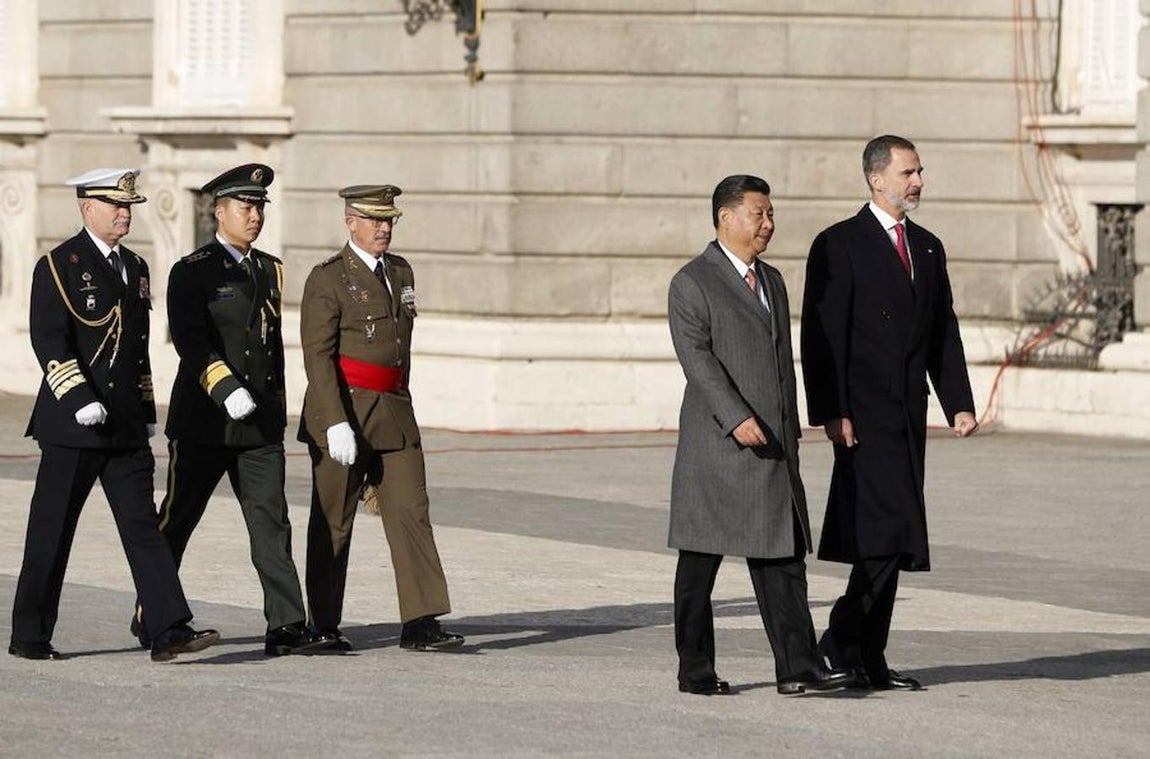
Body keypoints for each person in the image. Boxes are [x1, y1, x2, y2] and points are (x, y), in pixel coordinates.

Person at [10, 168, 219, 662]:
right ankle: (30, 635)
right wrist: (78, 398)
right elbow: (50, 341)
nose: (125, 214)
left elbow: (136, 349)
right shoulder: (59, 265)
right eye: (115, 205)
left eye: (128, 206)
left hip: (123, 427)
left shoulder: (136, 266)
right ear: (88, 208)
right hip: (73, 426)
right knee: (51, 532)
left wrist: (144, 409)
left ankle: (168, 628)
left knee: (143, 528)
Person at [800, 135, 979, 691]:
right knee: (885, 531)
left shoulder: (927, 247)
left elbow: (941, 330)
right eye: (908, 173)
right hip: (861, 416)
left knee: (893, 534)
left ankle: (865, 656)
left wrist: (958, 402)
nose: (918, 182)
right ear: (876, 179)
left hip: (907, 413)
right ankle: (841, 642)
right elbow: (821, 335)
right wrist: (832, 411)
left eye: (920, 171)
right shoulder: (839, 243)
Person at [667, 175, 854, 696]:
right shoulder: (692, 282)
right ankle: (695, 671)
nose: (768, 224)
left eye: (771, 214)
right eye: (758, 213)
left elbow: (780, 363)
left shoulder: (771, 279)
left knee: (783, 559)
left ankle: (799, 668)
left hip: (773, 447)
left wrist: (791, 426)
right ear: (726, 217)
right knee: (698, 566)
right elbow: (697, 360)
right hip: (717, 448)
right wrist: (735, 417)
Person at [135, 164, 331, 657]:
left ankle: (286, 625)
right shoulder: (191, 270)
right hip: (206, 421)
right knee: (178, 519)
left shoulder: (269, 268)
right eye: (246, 207)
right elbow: (190, 339)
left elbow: (270, 348)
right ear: (219, 212)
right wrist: (225, 388)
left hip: (258, 425)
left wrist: (277, 409)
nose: (255, 216)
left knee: (272, 523)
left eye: (260, 207)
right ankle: (152, 612)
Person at [298, 184, 463, 652]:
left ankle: (421, 620)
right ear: (350, 222)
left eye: (389, 220)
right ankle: (322, 623)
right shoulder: (328, 278)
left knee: (412, 511)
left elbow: (399, 347)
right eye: (374, 220)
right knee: (333, 520)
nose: (383, 228)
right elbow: (317, 355)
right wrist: (335, 421)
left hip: (393, 410)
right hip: (345, 411)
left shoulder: (400, 271)